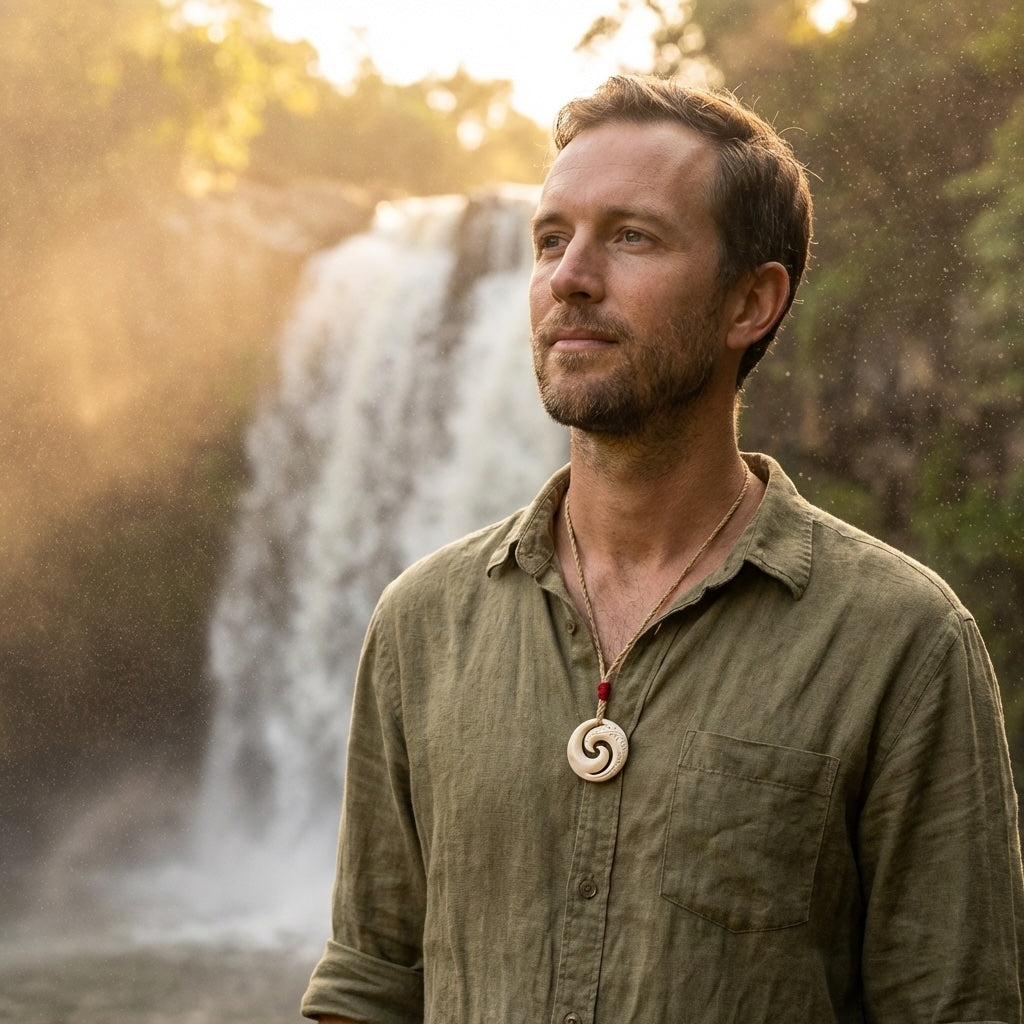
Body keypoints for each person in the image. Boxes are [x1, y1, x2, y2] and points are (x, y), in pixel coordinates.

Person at [301, 75, 1024, 1022]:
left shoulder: (901, 643)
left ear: (750, 303)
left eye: (631, 236)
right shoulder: (423, 623)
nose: (570, 278)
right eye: (551, 239)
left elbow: (955, 1006)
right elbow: (368, 987)